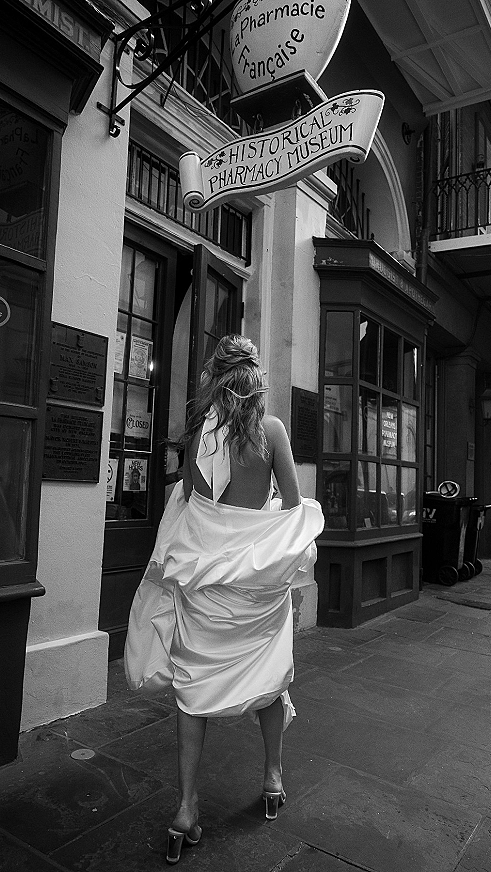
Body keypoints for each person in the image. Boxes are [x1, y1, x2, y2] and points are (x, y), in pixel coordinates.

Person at [124, 335, 324, 865]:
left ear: (216, 377)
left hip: (209, 586)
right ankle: (273, 777)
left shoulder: (200, 434)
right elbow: (294, 507)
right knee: (270, 677)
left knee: (193, 690)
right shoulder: (273, 431)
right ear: (256, 379)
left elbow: (192, 505)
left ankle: (186, 809)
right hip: (256, 588)